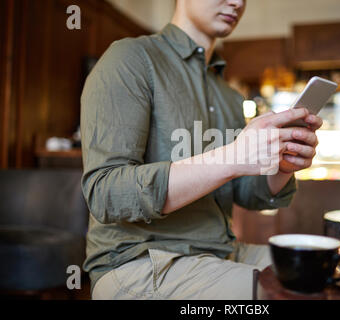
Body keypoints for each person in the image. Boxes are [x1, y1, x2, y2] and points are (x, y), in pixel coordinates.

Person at [80, 0, 322, 300]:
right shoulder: (130, 58)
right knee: (283, 297)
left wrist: (283, 165)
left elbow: (247, 193)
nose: (237, 2)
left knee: (324, 277)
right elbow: (106, 194)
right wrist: (233, 157)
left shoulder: (229, 96)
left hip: (220, 252)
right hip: (141, 262)